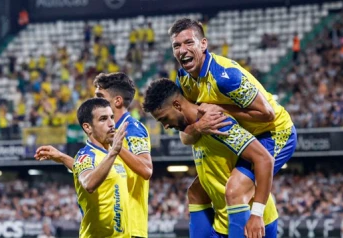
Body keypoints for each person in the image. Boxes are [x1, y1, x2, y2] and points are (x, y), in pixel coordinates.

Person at [168, 18, 297, 235]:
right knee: (199, 190)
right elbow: (188, 130)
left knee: (236, 188)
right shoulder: (183, 80)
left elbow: (267, 114)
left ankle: (257, 219)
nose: (182, 50)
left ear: (203, 44)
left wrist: (221, 108)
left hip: (274, 132)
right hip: (240, 136)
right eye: (176, 46)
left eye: (189, 43)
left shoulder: (225, 76)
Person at [143, 78, 278, 238]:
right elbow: (186, 137)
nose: (165, 126)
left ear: (177, 105)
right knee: (194, 191)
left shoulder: (217, 123)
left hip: (250, 224)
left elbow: (264, 159)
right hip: (223, 223)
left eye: (165, 119)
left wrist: (257, 214)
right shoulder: (195, 128)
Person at [35, 73, 152, 238]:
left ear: (117, 101)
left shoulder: (131, 128)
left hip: (131, 225)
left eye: (100, 96)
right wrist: (63, 158)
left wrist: (116, 147)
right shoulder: (105, 136)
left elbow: (146, 170)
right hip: (113, 228)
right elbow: (93, 169)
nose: (96, 100)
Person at [72, 97, 131, 237]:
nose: (111, 124)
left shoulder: (112, 154)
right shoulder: (85, 155)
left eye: (112, 117)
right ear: (87, 127)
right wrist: (113, 152)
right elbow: (88, 183)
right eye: (103, 119)